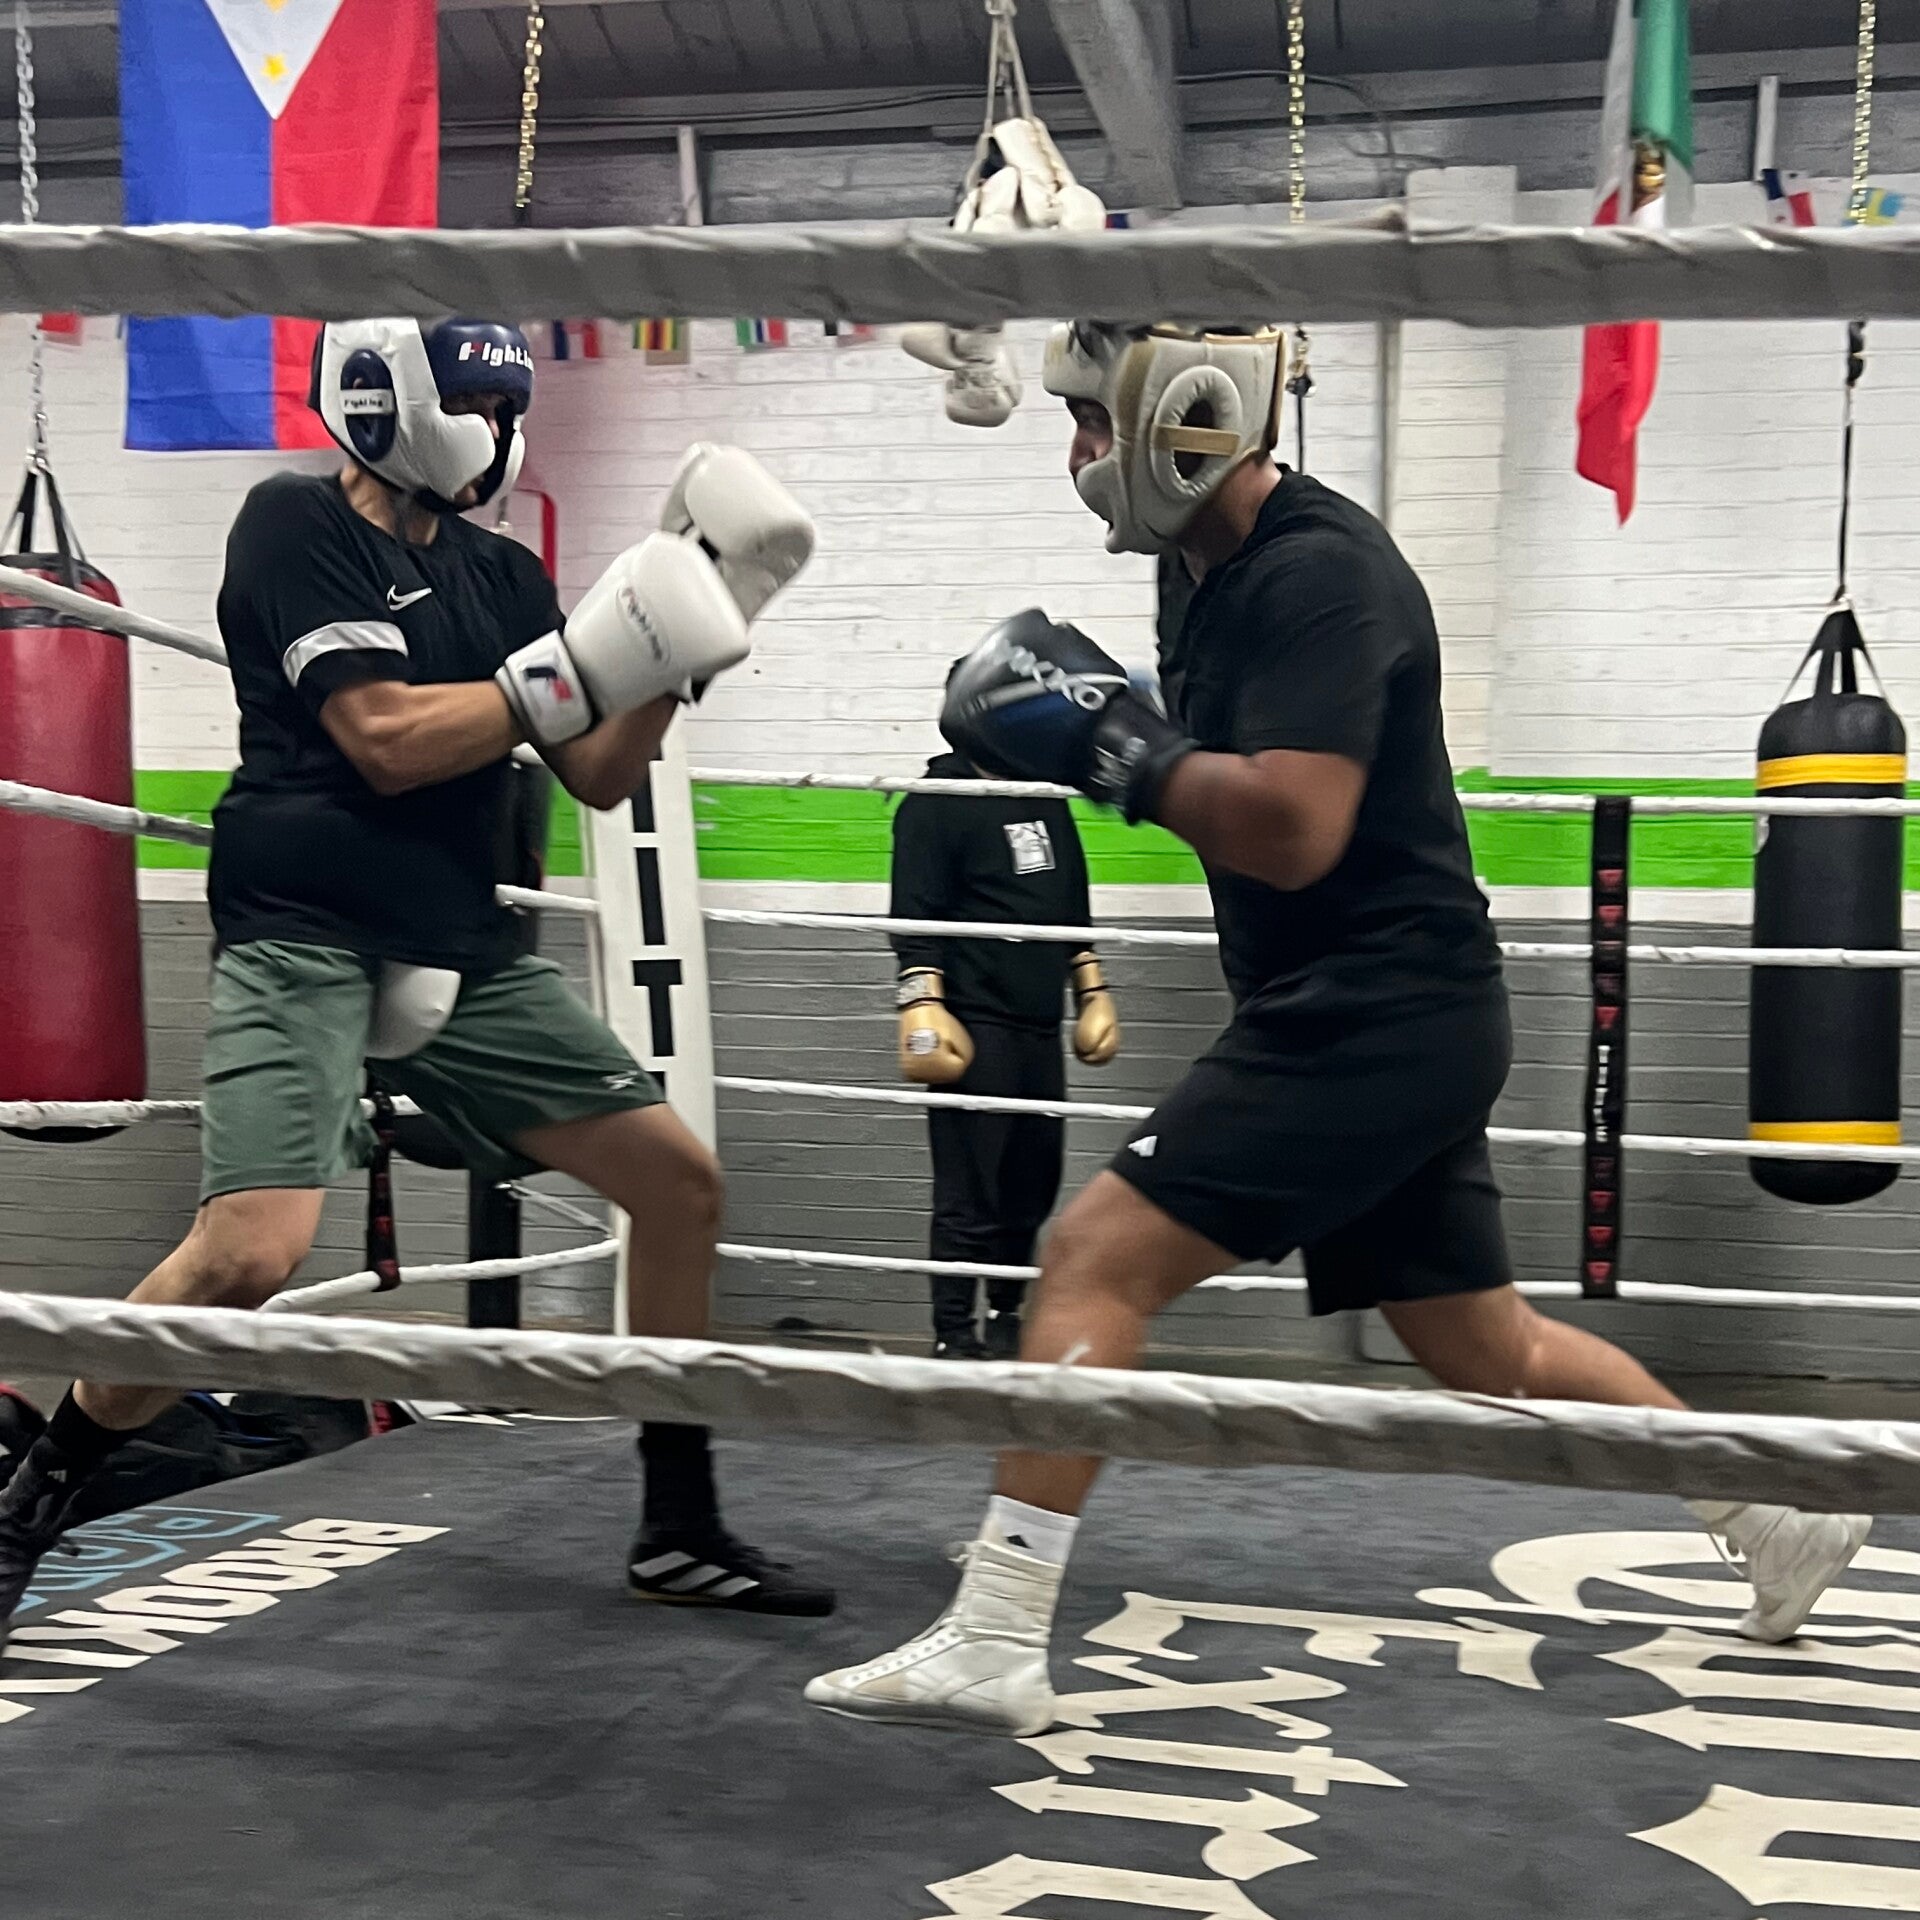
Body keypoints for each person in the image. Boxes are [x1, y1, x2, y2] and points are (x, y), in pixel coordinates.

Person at [807, 318, 1869, 1735]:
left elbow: (1293, 829)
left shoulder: (1323, 575)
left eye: (1090, 425)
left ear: (1181, 415)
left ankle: (998, 1635)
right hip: (1391, 1007)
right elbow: (1231, 767)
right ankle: (1776, 1511)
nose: (1076, 459)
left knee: (1090, 1259)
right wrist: (1124, 724)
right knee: (1485, 1348)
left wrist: (1110, 741)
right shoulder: (1201, 574)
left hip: (1370, 1007)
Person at [0, 315, 833, 1625]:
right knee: (248, 1253)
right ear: (389, 403)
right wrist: (584, 667)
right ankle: (30, 1507)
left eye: (510, 411)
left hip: (464, 949)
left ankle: (678, 1524)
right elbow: (384, 739)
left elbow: (599, 772)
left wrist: (688, 644)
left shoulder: (506, 576)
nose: (496, 435)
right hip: (302, 932)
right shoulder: (293, 526)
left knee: (679, 1186)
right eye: (477, 408)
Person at [890, 728, 1117, 1357]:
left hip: (1039, 1019)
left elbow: (1071, 905)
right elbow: (914, 912)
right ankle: (953, 1334)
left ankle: (1007, 1315)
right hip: (975, 1019)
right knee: (970, 1186)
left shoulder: (1045, 796)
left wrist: (1092, 987)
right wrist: (921, 1002)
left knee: (1031, 1183)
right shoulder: (937, 801)